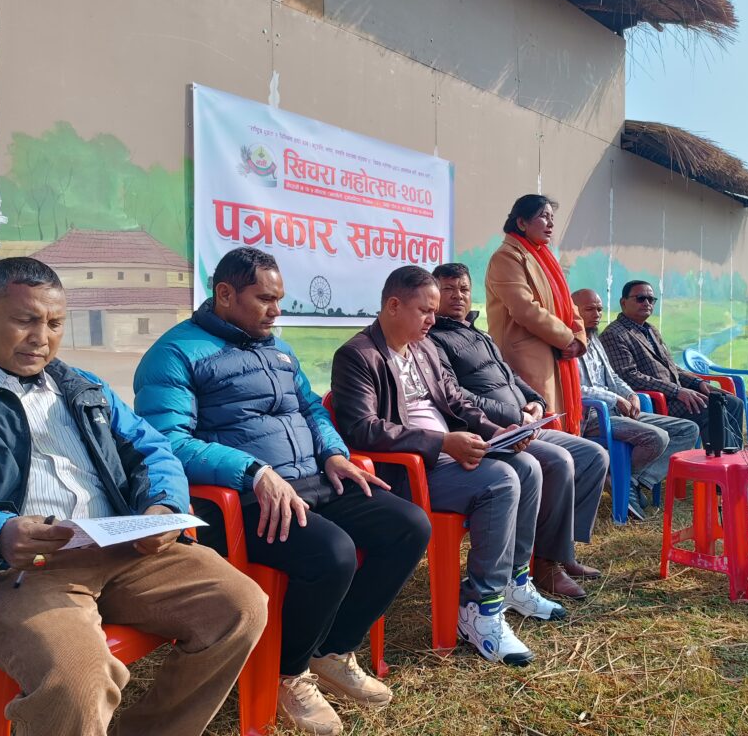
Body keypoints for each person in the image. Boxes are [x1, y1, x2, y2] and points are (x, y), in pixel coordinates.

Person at [0, 258, 266, 736]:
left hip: (122, 548)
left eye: (54, 324)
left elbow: (154, 450)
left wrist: (163, 506)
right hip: (17, 570)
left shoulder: (84, 388)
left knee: (240, 606)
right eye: (24, 320)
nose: (40, 338)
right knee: (76, 680)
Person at [134, 247, 430, 736]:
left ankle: (332, 649)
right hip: (244, 500)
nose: (276, 311)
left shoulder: (278, 349)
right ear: (225, 294)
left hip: (312, 479)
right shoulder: (175, 354)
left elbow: (311, 408)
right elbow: (168, 441)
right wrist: (252, 471)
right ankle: (287, 674)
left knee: (408, 525)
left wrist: (334, 452)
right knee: (332, 552)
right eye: (265, 299)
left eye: (280, 299)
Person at [332, 266, 566, 668]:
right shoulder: (358, 355)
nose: (432, 319)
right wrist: (440, 442)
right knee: (501, 479)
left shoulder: (423, 347)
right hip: (408, 472)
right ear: (393, 306)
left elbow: (456, 401)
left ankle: (512, 580)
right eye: (424, 310)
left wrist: (497, 431)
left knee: (527, 466)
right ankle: (479, 608)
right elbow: (362, 428)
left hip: (446, 457)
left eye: (433, 311)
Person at [428, 262, 607, 598]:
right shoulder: (433, 340)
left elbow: (510, 377)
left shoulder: (479, 333)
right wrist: (515, 415)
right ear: (433, 295)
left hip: (523, 422)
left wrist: (535, 401)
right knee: (558, 461)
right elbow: (457, 397)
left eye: (463, 289)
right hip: (491, 431)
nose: (457, 296)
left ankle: (560, 550)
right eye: (448, 289)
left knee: (593, 455)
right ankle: (543, 566)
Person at [571, 288, 699, 518]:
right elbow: (575, 388)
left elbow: (612, 376)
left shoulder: (595, 339)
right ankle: (622, 479)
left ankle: (628, 479)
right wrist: (615, 398)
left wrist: (631, 395)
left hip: (616, 411)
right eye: (589, 309)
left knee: (688, 429)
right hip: (592, 416)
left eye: (599, 309)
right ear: (572, 310)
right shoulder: (567, 344)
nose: (597, 314)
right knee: (656, 437)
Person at [599, 280, 746, 451]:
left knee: (733, 402)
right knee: (713, 409)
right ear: (623, 302)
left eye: (650, 299)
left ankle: (734, 456)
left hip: (676, 395)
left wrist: (698, 383)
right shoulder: (614, 334)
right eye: (640, 298)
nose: (646, 303)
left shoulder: (650, 329)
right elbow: (629, 377)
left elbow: (671, 367)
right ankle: (719, 461)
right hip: (657, 401)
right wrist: (677, 391)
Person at [484, 194, 587, 430]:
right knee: (543, 426)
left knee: (562, 427)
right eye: (543, 216)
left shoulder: (544, 257)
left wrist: (578, 337)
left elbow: (568, 304)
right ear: (522, 223)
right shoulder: (506, 256)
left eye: (552, 218)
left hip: (555, 351)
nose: (550, 224)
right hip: (527, 357)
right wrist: (566, 339)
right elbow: (525, 309)